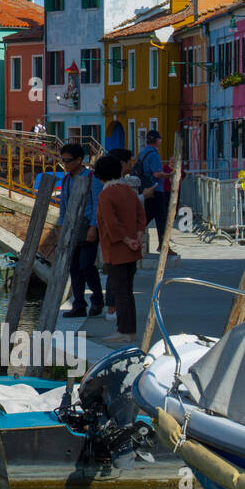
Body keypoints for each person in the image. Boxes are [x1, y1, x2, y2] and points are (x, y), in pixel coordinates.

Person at [95, 154, 147, 338]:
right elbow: (141, 215)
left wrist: (126, 240)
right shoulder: (129, 191)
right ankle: (128, 329)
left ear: (101, 176)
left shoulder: (106, 194)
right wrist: (137, 237)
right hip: (132, 248)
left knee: (120, 292)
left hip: (116, 250)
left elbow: (111, 223)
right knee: (128, 291)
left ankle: (124, 331)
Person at [58, 143, 104, 317]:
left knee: (86, 265)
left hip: (87, 227)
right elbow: (64, 206)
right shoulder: (67, 179)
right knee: (74, 267)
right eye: (63, 160)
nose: (65, 163)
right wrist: (62, 228)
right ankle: (79, 304)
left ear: (79, 160)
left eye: (68, 160)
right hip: (71, 228)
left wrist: (94, 227)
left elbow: (97, 205)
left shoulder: (91, 177)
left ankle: (97, 300)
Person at [134, 130, 178, 261]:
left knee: (146, 217)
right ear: (157, 141)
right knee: (162, 219)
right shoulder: (153, 155)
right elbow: (157, 174)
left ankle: (136, 236)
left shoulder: (142, 153)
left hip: (145, 189)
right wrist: (170, 175)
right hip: (156, 190)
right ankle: (164, 246)